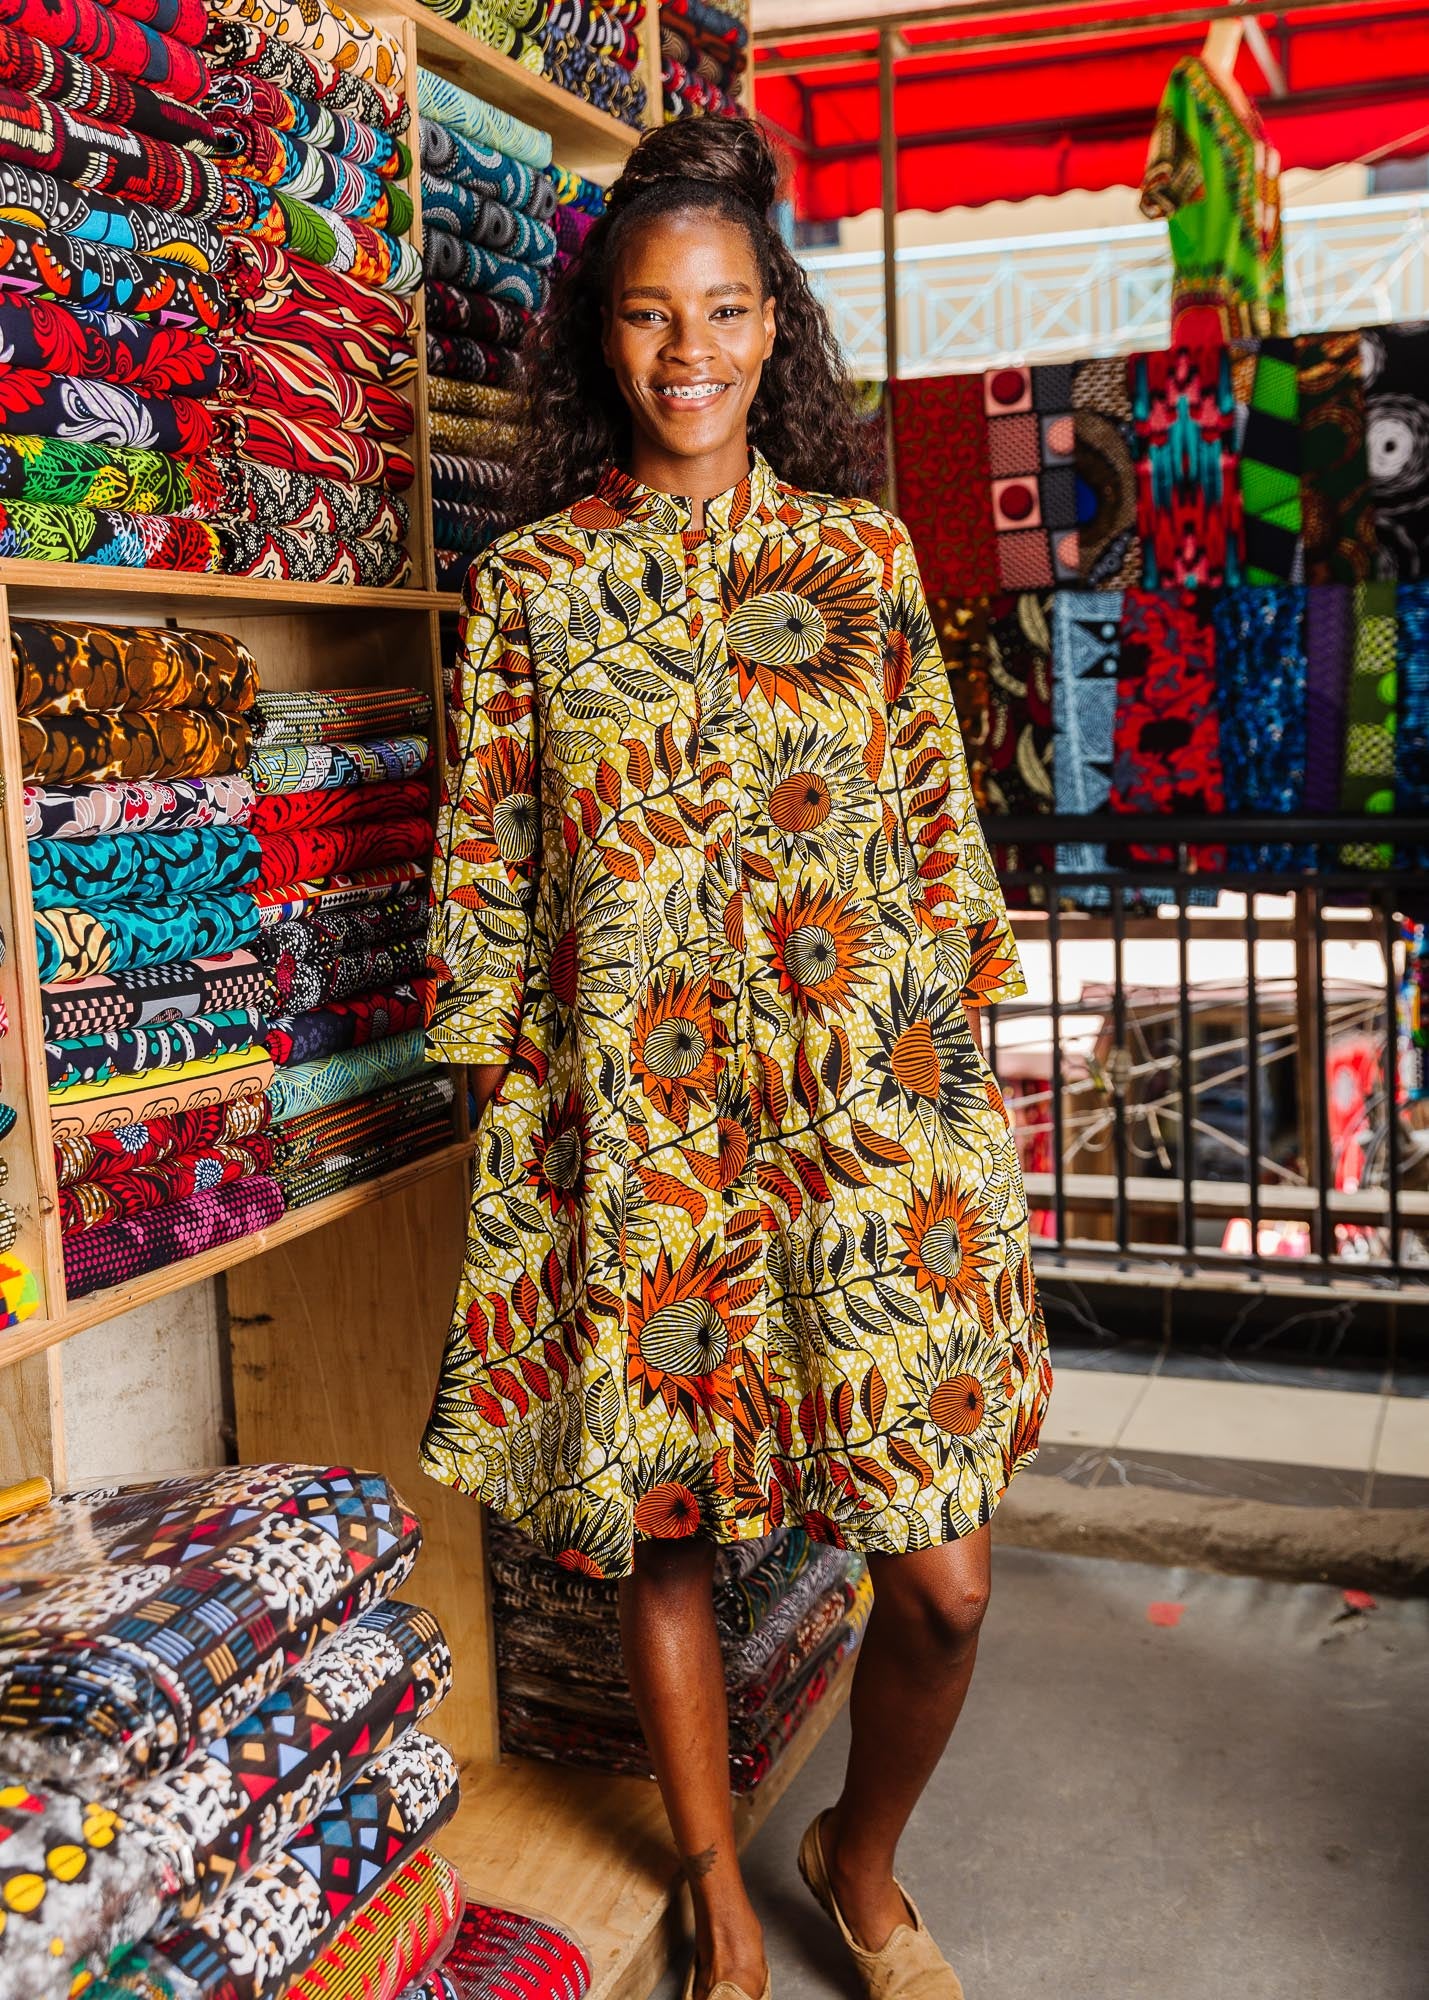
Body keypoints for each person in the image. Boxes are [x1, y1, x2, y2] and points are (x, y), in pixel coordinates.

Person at [420, 116, 1051, 2000]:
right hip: (646, 1135)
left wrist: (950, 1129)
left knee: (939, 1580)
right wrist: (514, 1126)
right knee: (669, 1536)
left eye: (719, 310)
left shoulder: (860, 558)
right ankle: (710, 1883)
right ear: (599, 341)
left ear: (772, 326)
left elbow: (940, 841)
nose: (683, 351)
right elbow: (491, 859)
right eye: (643, 316)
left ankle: (859, 1860)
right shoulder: (532, 588)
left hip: (867, 1134)